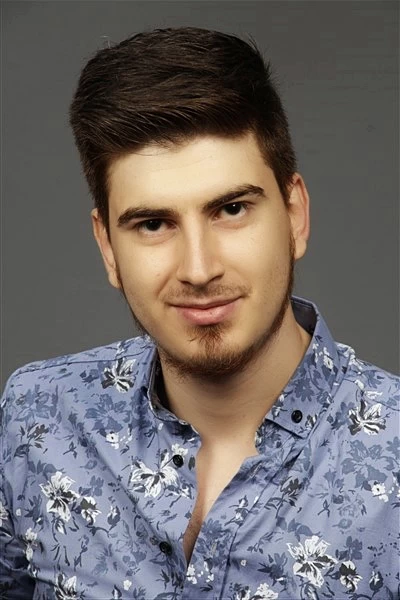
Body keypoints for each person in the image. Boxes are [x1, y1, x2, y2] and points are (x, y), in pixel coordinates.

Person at [1, 26, 398, 600]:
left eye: (231, 209)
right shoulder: (38, 419)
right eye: (153, 224)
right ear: (108, 247)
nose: (198, 268)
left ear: (295, 215)